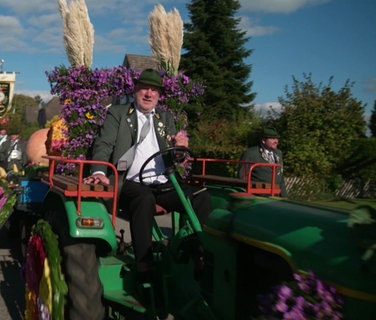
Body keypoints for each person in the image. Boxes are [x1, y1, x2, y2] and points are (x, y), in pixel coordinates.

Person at [84, 69, 212, 281]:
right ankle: (144, 264)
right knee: (144, 198)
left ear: (159, 95)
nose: (149, 94)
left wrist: (180, 148)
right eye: (144, 88)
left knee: (201, 195)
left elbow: (175, 156)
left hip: (164, 183)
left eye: (154, 90)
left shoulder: (165, 117)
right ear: (135, 89)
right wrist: (99, 172)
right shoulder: (118, 113)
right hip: (131, 182)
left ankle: (195, 253)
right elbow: (103, 144)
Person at [238, 127, 287, 197]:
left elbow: (280, 178)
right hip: (258, 197)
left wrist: (284, 198)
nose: (276, 141)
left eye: (277, 138)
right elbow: (242, 178)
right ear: (263, 140)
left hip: (276, 197)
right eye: (272, 139)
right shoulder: (251, 153)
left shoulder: (278, 153)